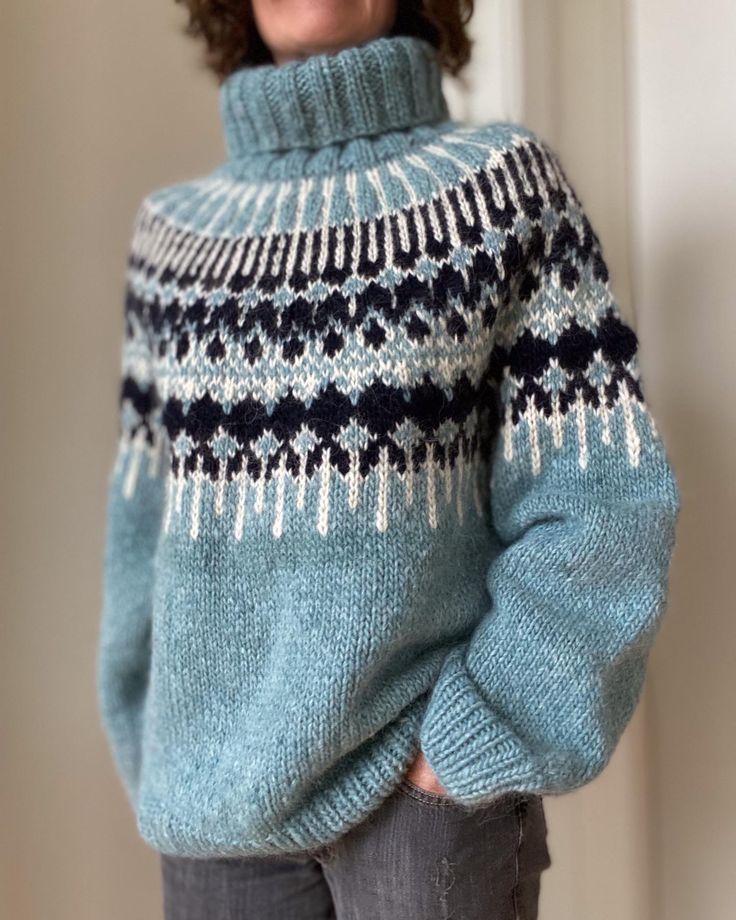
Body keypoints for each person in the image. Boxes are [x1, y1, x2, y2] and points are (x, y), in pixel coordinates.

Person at [95, 1, 681, 917]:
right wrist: (155, 752)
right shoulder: (171, 241)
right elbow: (142, 538)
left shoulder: (501, 193)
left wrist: (472, 741)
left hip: (421, 818)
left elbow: (602, 501)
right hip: (213, 827)